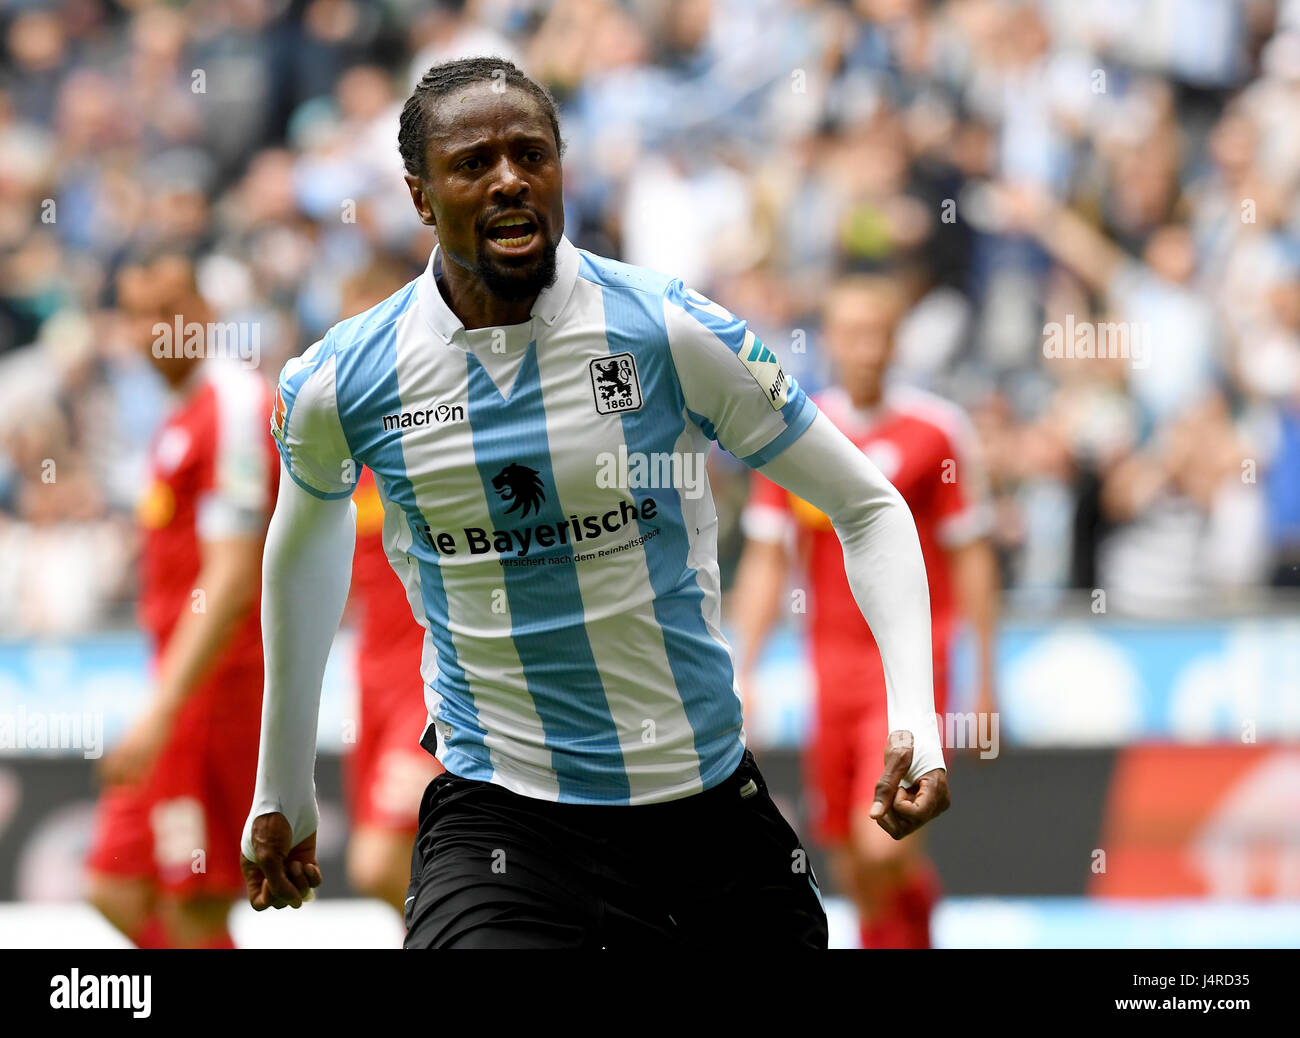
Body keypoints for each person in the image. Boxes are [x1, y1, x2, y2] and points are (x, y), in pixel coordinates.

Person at [240, 57, 949, 949]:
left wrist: (917, 718)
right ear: (422, 198)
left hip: (705, 815)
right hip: (501, 821)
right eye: (474, 163)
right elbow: (304, 549)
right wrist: (283, 787)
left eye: (531, 154)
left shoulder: (668, 331)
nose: (509, 179)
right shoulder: (343, 381)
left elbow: (869, 506)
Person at [734, 274, 998, 948]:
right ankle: (915, 929)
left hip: (909, 667)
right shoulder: (796, 432)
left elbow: (970, 554)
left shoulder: (937, 432)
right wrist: (744, 669)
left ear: (896, 342)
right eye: (850, 333)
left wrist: (986, 677)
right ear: (829, 340)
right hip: (830, 671)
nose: (866, 348)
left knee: (882, 841)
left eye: (877, 334)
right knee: (851, 863)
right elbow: (768, 558)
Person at [86, 251, 278, 948]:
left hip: (216, 689)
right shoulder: (178, 414)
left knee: (196, 905)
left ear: (205, 313)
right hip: (175, 682)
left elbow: (230, 577)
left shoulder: (232, 404)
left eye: (165, 312)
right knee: (114, 886)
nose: (149, 332)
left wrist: (163, 711)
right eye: (135, 316)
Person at [337, 262, 445, 914]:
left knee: (379, 861)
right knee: (397, 872)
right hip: (371, 680)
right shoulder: (343, 441)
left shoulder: (442, 426)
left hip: (429, 681)